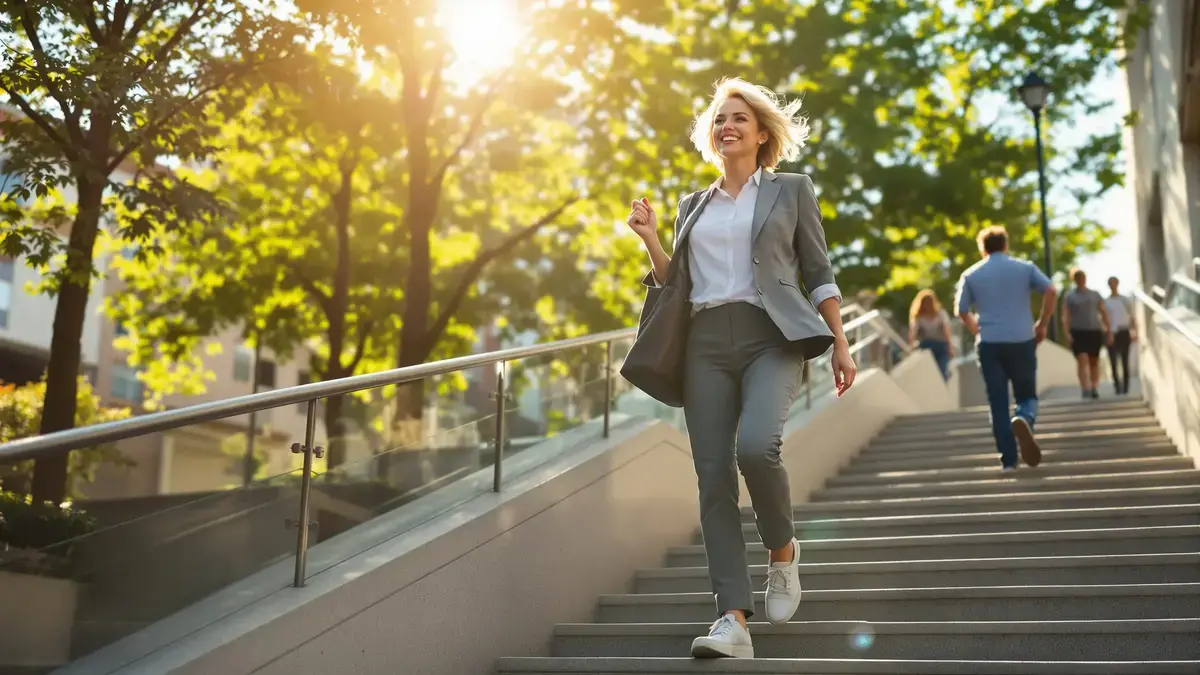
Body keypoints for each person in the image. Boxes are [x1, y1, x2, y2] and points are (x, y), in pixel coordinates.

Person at [626, 77, 857, 660]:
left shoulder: (791, 190)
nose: (726, 126)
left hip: (770, 336)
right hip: (704, 343)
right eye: (719, 120)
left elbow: (818, 271)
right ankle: (732, 618)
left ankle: (783, 551)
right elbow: (678, 283)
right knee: (712, 477)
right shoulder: (692, 206)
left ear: (760, 134)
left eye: (738, 119)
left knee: (756, 448)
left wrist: (840, 341)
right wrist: (652, 240)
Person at [954, 226, 1057, 472]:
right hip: (1022, 339)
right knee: (1026, 395)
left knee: (997, 401)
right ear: (1005, 245)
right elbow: (1051, 290)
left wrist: (978, 330)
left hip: (989, 343)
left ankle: (1009, 461)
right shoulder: (1025, 268)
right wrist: (1042, 324)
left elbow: (962, 311)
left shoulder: (971, 274)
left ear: (982, 249)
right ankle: (1025, 418)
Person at [1061, 269, 1113, 399]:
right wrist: (1067, 333)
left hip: (1094, 330)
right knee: (1082, 359)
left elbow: (1103, 312)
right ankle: (1085, 388)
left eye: (1082, 277)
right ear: (1074, 280)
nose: (1081, 280)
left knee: (1093, 360)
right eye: (1078, 278)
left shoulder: (1095, 294)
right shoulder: (1070, 296)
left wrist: (1108, 330)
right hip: (1078, 331)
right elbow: (1065, 316)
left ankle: (1094, 387)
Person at [908, 289, 954, 380]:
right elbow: (946, 331)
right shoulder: (941, 313)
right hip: (940, 345)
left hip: (927, 346)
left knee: (929, 372)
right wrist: (949, 347)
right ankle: (943, 380)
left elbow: (913, 332)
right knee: (942, 370)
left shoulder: (918, 316)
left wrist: (911, 346)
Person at [1104, 276, 1136, 395]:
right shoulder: (1106, 302)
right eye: (1111, 284)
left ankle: (1126, 387)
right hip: (1112, 333)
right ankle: (1117, 386)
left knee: (1125, 360)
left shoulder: (1125, 300)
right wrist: (1108, 333)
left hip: (1124, 331)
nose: (1113, 286)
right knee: (1113, 361)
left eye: (1115, 283)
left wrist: (1134, 331)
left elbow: (1132, 317)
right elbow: (1104, 319)